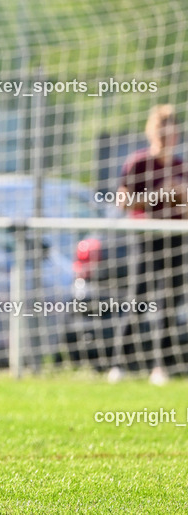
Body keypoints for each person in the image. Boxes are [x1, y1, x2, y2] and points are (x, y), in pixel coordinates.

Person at [107, 104, 187, 386]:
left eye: (171, 130)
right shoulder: (138, 163)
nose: (167, 136)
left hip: (176, 238)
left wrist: (181, 197)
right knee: (138, 298)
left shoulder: (181, 167)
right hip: (145, 237)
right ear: (152, 132)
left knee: (170, 301)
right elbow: (123, 201)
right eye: (161, 130)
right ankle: (119, 363)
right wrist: (157, 195)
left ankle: (161, 366)